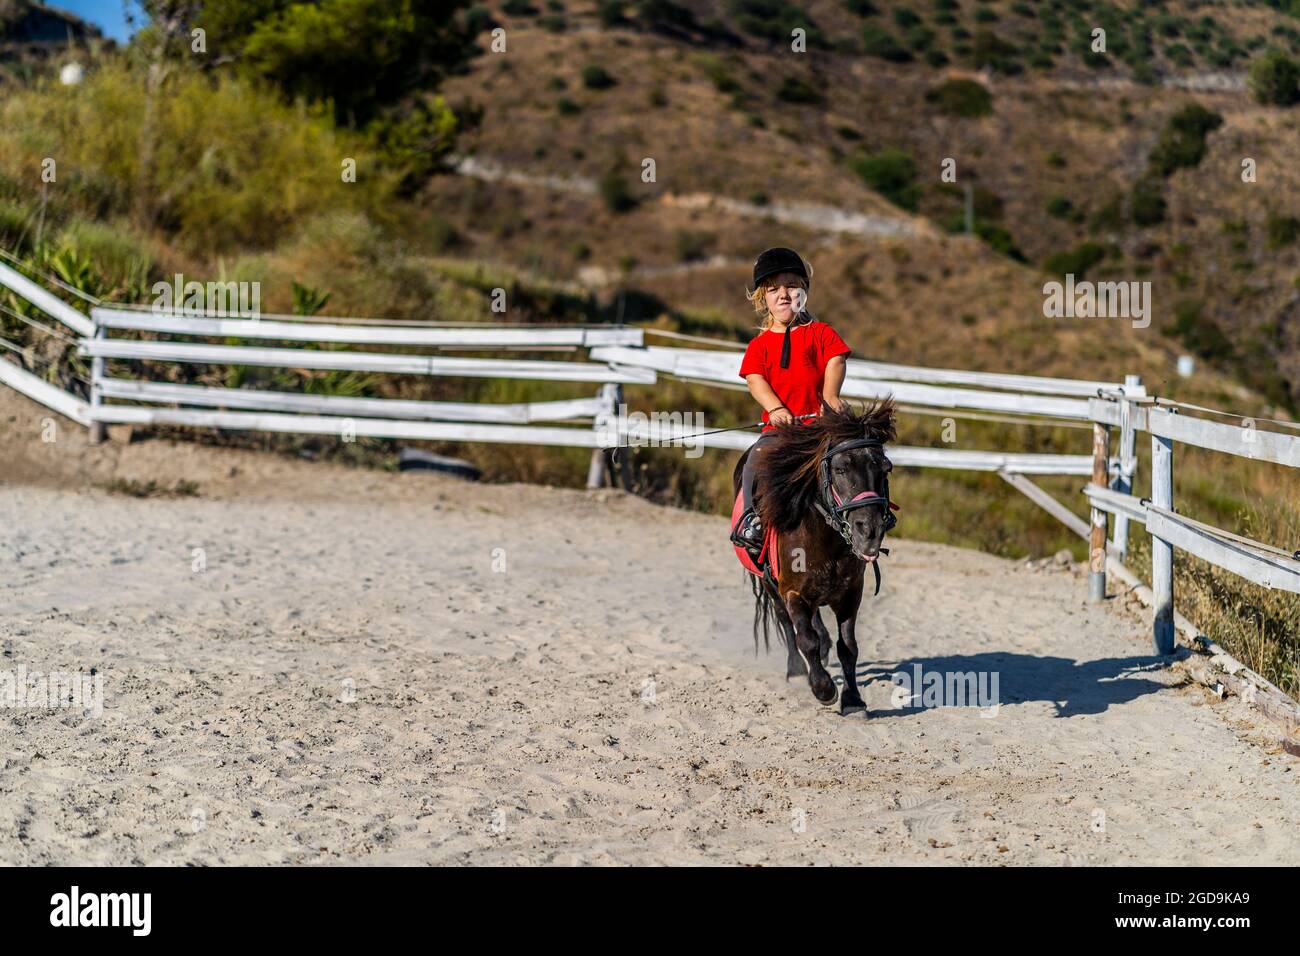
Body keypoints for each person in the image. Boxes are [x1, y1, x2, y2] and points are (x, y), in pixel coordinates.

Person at [730, 246, 852, 553]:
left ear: (804, 293)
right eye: (774, 290)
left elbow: (836, 360)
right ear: (763, 299)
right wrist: (776, 408)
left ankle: (864, 514)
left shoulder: (820, 333)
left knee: (856, 458)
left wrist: (830, 396)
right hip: (781, 433)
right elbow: (755, 380)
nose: (784, 294)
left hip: (820, 429)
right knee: (754, 460)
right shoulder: (760, 345)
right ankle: (752, 521)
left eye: (792, 286)